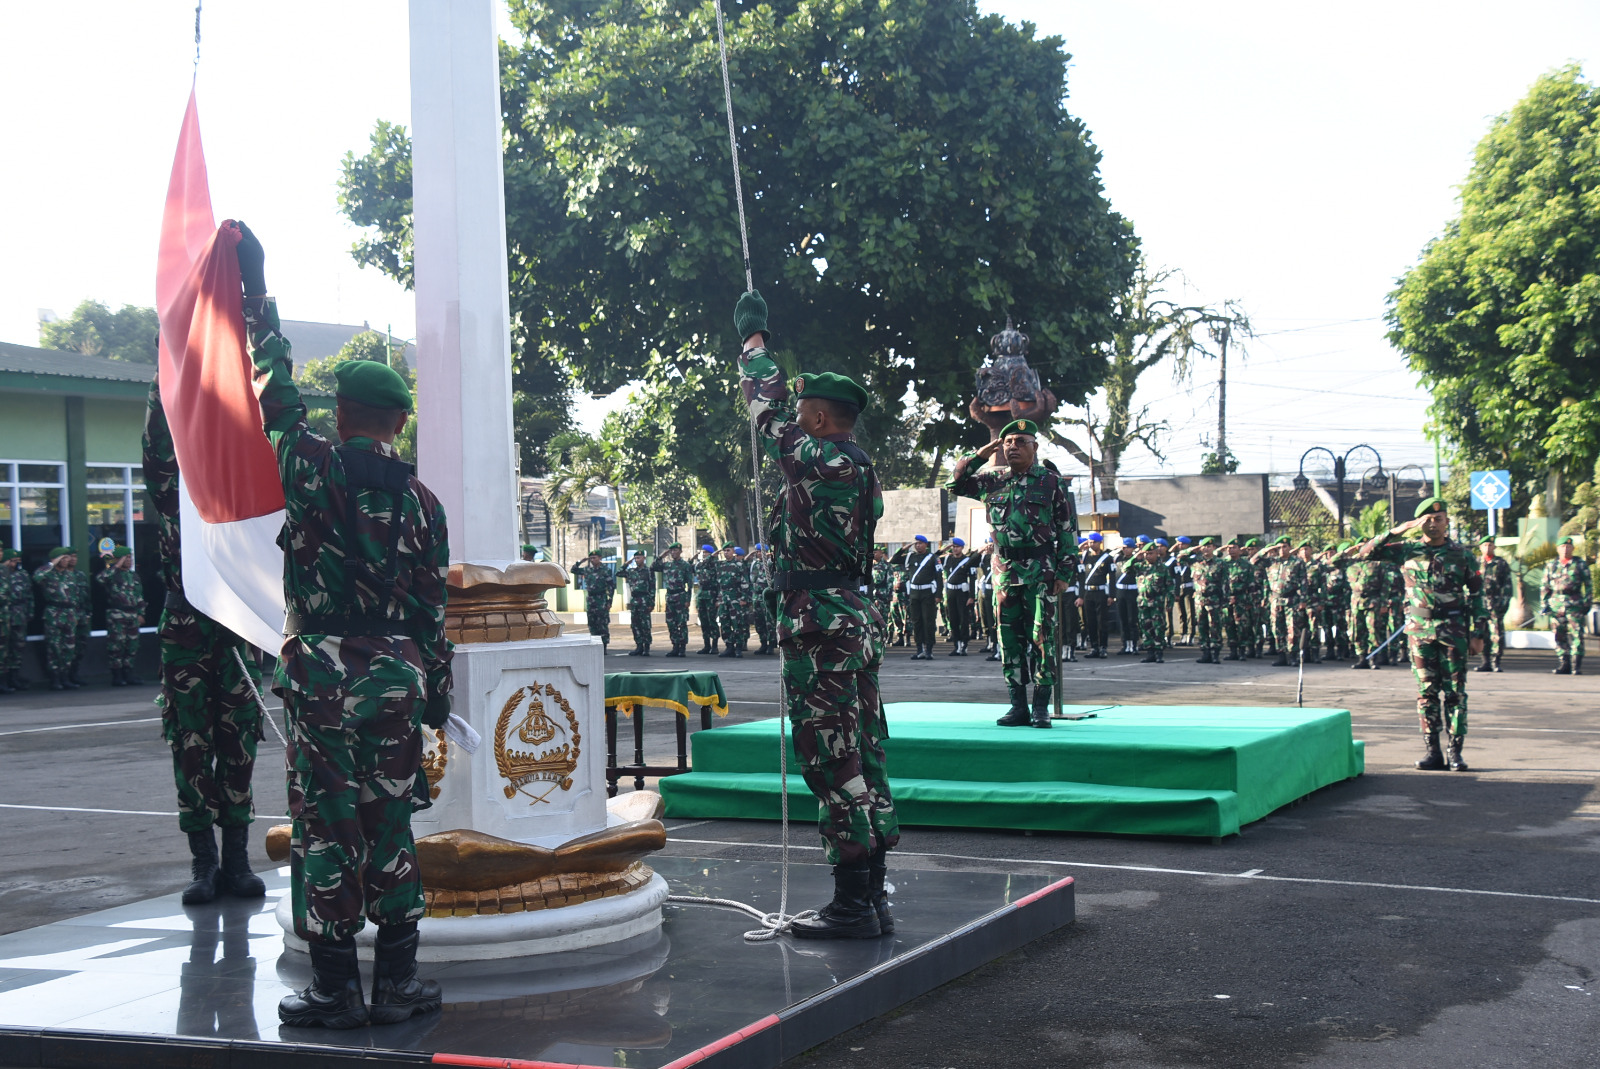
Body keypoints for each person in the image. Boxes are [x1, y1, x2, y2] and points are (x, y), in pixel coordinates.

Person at [235, 222, 448, 1027]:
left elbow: (274, 396)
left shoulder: (313, 465)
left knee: (327, 824)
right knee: (388, 817)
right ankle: (397, 985)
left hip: (324, 672)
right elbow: (432, 610)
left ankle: (334, 988)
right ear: (397, 422)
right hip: (397, 673)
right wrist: (435, 688)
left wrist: (260, 302)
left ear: (345, 412)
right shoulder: (423, 505)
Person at [734, 289, 898, 939]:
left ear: (824, 419)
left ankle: (853, 903)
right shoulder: (858, 467)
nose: (797, 421)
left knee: (831, 759)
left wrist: (753, 345)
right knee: (865, 753)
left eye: (807, 414)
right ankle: (874, 894)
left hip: (821, 622)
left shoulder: (822, 459)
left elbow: (765, 411)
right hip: (851, 615)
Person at [143, 373, 267, 907]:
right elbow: (155, 450)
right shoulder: (175, 496)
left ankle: (237, 859)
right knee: (190, 743)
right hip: (186, 626)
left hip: (234, 624)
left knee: (237, 742)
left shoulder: (237, 495)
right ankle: (204, 862)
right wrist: (163, 375)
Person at [950, 419, 1077, 728]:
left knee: (1042, 638)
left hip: (1041, 571)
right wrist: (981, 455)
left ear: (1035, 446)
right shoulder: (991, 480)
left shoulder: (1050, 482)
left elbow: (1067, 530)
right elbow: (954, 484)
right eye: (1008, 442)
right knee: (1008, 640)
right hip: (1004, 572)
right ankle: (1017, 705)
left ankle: (1041, 707)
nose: (1013, 447)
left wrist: (1064, 573)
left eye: (1021, 441)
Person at [1358, 497, 1485, 771]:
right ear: (1419, 523)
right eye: (1427, 519)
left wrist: (1479, 634)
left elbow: (1477, 595)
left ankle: (1455, 752)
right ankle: (1433, 751)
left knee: (1455, 693)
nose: (1433, 523)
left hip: (1454, 630)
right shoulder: (1406, 549)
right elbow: (1365, 553)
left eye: (1439, 519)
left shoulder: (1461, 554)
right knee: (1426, 692)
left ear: (1447, 521)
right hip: (1420, 630)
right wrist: (1397, 531)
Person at [33, 548, 85, 690]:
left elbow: (76, 596)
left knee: (69, 647)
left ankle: (65, 676)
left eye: (68, 558)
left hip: (70, 612)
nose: (67, 561)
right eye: (63, 558)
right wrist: (52, 564)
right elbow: (37, 578)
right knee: (54, 646)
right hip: (54, 612)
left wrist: (77, 614)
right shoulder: (48, 574)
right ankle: (55, 678)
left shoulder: (70, 575)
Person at [1540, 536, 1592, 675]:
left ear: (1573, 548)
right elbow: (1545, 586)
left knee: (1577, 635)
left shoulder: (1580, 564)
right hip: (1556, 605)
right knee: (1559, 635)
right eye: (1562, 547)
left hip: (1574, 604)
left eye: (1568, 547)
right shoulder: (1551, 565)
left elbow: (1588, 585)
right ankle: (1564, 663)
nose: (1565, 549)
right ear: (1558, 549)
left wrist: (1587, 603)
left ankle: (1576, 665)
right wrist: (1544, 604)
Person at [1254, 536, 1309, 667]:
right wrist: (1268, 549)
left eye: (1284, 546)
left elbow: (1304, 582)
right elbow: (1253, 561)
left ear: (1290, 547)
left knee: (1292, 628)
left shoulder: (1297, 562)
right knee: (1277, 628)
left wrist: (1303, 600)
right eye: (1279, 547)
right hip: (1275, 599)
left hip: (1291, 599)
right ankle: (1281, 655)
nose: (1282, 549)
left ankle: (1293, 656)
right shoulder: (1271, 562)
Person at [96, 546, 146, 686]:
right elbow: (100, 579)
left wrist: (141, 613)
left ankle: (128, 673)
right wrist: (116, 565)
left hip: (133, 614)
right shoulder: (112, 574)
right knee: (116, 645)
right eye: (126, 558)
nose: (129, 560)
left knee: (132, 645)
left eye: (130, 557)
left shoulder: (133, 576)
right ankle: (117, 675)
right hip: (117, 614)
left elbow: (139, 596)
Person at [1182, 537, 1230, 664]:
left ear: (1214, 548)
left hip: (1214, 599)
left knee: (1215, 626)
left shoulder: (1220, 563)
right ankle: (1205, 652)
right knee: (1202, 627)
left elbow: (1225, 582)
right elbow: (1180, 557)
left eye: (1209, 546)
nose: (1206, 549)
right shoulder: (1195, 562)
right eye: (1204, 546)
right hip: (1199, 599)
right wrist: (1193, 550)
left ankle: (1215, 653)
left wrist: (1225, 600)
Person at [901, 535, 942, 660]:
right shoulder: (910, 556)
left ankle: (928, 649)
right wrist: (904, 548)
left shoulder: (933, 558)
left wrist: (938, 595)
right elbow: (894, 559)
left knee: (928, 621)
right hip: (914, 594)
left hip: (927, 594)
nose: (918, 545)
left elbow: (939, 577)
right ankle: (919, 649)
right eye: (916, 543)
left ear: (926, 545)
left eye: (920, 543)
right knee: (916, 621)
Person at [652, 542, 695, 657]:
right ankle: (675, 646)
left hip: (680, 595)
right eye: (671, 551)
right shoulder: (667, 565)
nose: (673, 552)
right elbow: (653, 566)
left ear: (680, 551)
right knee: (671, 623)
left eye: (675, 550)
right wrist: (661, 556)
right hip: (670, 596)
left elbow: (690, 584)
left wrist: (688, 599)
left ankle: (682, 647)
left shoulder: (685, 565)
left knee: (682, 623)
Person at [1476, 537, 1513, 673]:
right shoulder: (1475, 563)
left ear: (1494, 547)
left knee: (1496, 634)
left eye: (1490, 545)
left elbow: (1507, 585)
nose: (1487, 547)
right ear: (1480, 548)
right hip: (1479, 604)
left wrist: (1503, 604)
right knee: (1481, 633)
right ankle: (1485, 662)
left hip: (1495, 603)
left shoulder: (1501, 563)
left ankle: (1496, 662)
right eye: (1485, 545)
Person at [571, 550, 616, 650]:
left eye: (594, 558)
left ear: (600, 558)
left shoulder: (605, 570)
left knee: (602, 623)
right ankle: (595, 644)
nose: (592, 560)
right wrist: (580, 561)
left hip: (601, 599)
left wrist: (609, 601)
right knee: (592, 623)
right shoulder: (587, 570)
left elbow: (611, 587)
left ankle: (604, 645)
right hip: (591, 599)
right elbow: (573, 570)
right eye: (591, 558)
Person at [1079, 532, 1113, 659]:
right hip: (1088, 593)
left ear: (1100, 543)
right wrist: (1081, 595)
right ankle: (1094, 647)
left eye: (1094, 542)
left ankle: (1103, 647)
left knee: (1102, 621)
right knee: (1090, 621)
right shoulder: (1084, 556)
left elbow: (1113, 577)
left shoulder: (1107, 558)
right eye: (1090, 542)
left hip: (1101, 592)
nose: (1091, 544)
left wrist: (1111, 595)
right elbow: (1082, 578)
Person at [942, 538, 977, 656]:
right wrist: (944, 548)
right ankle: (956, 644)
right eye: (953, 546)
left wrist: (972, 596)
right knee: (953, 619)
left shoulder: (967, 560)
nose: (955, 549)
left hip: (962, 594)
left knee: (963, 619)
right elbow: (935, 556)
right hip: (951, 593)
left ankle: (964, 644)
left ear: (962, 548)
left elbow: (972, 579)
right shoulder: (948, 559)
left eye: (957, 547)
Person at [717, 544, 751, 658]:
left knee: (737, 623)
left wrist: (744, 599)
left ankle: (739, 648)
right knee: (724, 623)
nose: (726, 552)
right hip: (724, 598)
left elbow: (745, 583)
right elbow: (719, 584)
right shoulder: (721, 565)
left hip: (735, 598)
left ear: (733, 552)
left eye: (728, 550)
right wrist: (719, 598)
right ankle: (729, 646)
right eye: (725, 551)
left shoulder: (739, 565)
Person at [619, 549, 656, 656]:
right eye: (635, 558)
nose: (637, 560)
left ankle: (647, 647)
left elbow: (652, 587)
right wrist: (627, 563)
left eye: (639, 558)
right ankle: (639, 646)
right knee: (635, 624)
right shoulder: (632, 571)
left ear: (644, 558)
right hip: (635, 600)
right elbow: (619, 572)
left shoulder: (648, 571)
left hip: (644, 600)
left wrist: (651, 602)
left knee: (645, 625)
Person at [749, 543, 778, 655]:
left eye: (761, 551)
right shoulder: (755, 563)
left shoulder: (770, 563)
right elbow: (752, 578)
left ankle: (771, 644)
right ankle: (763, 643)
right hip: (757, 596)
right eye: (757, 551)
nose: (759, 553)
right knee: (759, 621)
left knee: (769, 622)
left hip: (766, 595)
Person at [693, 543, 721, 655]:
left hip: (711, 594)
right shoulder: (700, 565)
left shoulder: (715, 565)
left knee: (712, 620)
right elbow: (692, 566)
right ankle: (706, 645)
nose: (703, 554)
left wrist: (718, 598)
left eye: (705, 552)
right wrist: (695, 557)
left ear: (710, 554)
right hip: (701, 593)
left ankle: (714, 645)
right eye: (702, 552)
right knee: (703, 620)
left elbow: (719, 582)